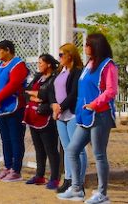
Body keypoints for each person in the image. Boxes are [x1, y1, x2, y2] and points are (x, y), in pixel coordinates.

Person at [58, 33, 118, 203]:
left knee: (99, 155)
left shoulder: (108, 65)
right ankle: (77, 189)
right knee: (72, 150)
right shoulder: (89, 64)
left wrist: (94, 104)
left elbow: (111, 91)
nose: (84, 47)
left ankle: (102, 194)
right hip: (84, 116)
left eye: (87, 44)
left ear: (96, 46)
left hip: (100, 115)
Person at [0, 39, 29, 182]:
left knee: (15, 139)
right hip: (0, 109)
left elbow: (13, 84)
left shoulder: (18, 65)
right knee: (5, 139)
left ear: (7, 50)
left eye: (0, 50)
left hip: (14, 108)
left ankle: (16, 170)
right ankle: (8, 166)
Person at [50, 43, 87, 194]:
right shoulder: (60, 71)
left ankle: (79, 181)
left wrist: (61, 107)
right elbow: (53, 89)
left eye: (61, 55)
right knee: (66, 148)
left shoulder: (78, 71)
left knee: (77, 149)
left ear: (70, 55)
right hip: (60, 115)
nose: (59, 58)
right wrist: (53, 105)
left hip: (72, 114)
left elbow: (74, 93)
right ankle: (68, 179)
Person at [23, 54, 60, 189]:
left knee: (51, 149)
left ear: (48, 64)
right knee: (39, 148)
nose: (39, 65)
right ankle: (40, 175)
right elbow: (25, 92)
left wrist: (38, 95)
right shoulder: (38, 77)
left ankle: (55, 178)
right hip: (33, 117)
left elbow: (47, 96)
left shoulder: (54, 79)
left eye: (41, 63)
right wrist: (34, 96)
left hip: (46, 117)